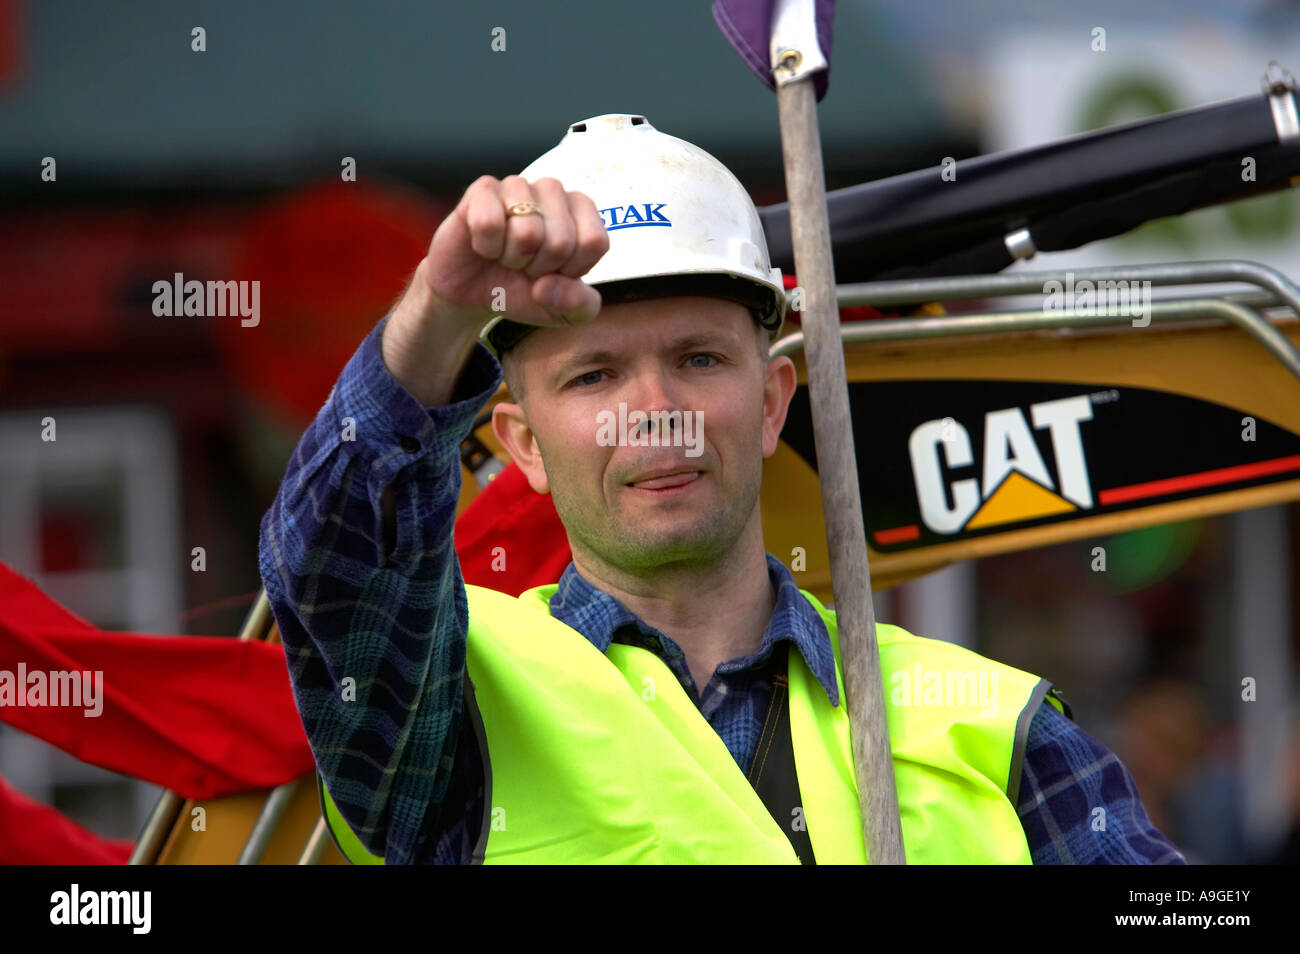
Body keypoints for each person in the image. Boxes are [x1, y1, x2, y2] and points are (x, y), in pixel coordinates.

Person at [259, 113, 1185, 864]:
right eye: (595, 377)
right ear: (522, 444)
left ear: (776, 399)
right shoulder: (450, 706)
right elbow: (330, 566)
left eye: (699, 359)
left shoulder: (986, 726)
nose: (656, 411)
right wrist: (439, 314)